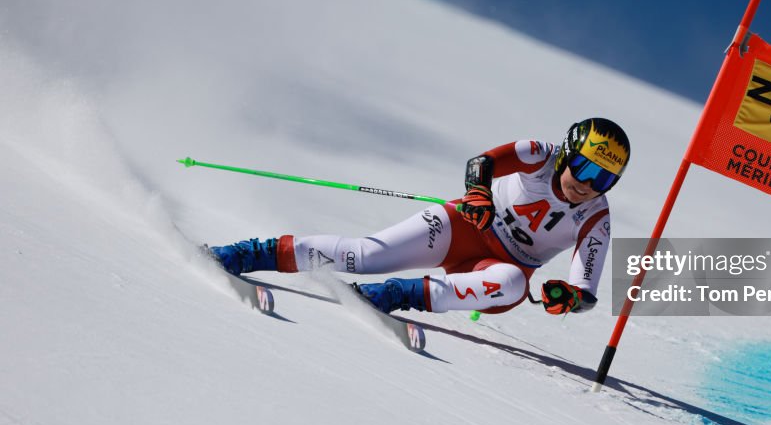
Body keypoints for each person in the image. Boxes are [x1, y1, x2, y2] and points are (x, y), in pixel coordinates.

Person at [209, 118, 630, 316]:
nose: (589, 185)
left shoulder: (596, 216)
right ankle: (249, 254)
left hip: (496, 268)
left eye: (605, 179)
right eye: (586, 168)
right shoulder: (540, 154)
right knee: (364, 255)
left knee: (514, 285)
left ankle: (393, 296)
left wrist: (568, 298)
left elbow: (585, 293)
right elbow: (481, 163)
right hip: (465, 227)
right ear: (568, 154)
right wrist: (479, 193)